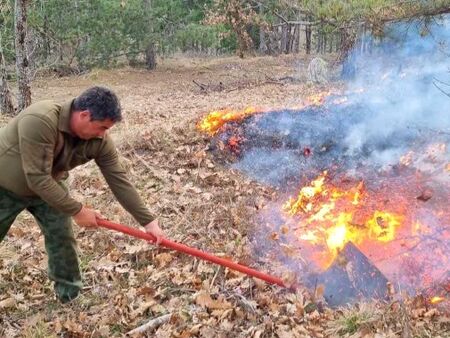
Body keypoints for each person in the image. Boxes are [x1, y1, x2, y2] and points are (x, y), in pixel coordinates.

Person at [0, 86, 165, 303]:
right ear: (84, 115)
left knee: (62, 237)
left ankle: (70, 294)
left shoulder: (99, 141)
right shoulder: (40, 120)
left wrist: (148, 221)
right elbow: (37, 177)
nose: (103, 134)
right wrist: (78, 211)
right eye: (102, 127)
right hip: (5, 187)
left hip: (49, 189)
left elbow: (118, 179)